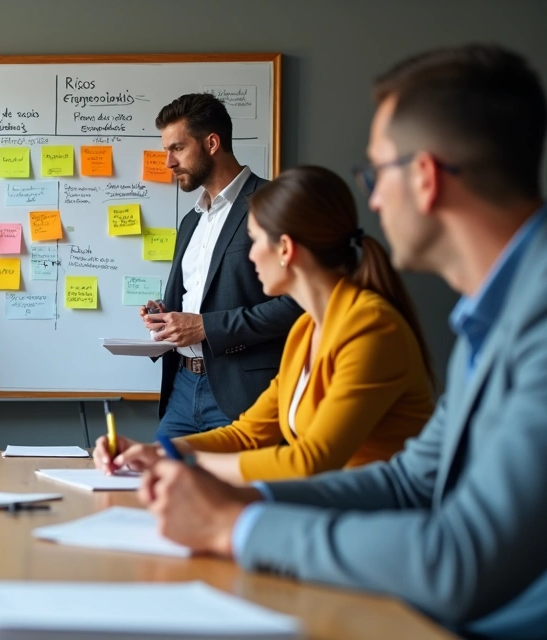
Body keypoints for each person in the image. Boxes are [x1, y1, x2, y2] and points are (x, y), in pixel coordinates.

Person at [133, 45, 547, 637]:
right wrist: (212, 486)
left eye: (377, 173)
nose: (371, 200)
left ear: (425, 178)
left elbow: (460, 560)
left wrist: (235, 527)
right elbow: (411, 481)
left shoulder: (529, 318)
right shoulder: (493, 317)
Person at [96, 166, 435, 482]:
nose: (251, 254)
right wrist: (155, 452)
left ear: (285, 249)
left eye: (255, 240)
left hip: (372, 524)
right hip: (325, 513)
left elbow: (310, 461)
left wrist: (177, 462)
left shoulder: (370, 326)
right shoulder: (306, 331)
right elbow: (248, 433)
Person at [146, 93, 302, 439]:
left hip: (246, 394)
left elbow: (299, 303)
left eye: (177, 148)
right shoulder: (191, 221)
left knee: (238, 494)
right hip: (182, 389)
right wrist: (164, 315)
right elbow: (202, 301)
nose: (168, 162)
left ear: (212, 143)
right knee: (155, 487)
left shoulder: (272, 205)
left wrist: (206, 328)